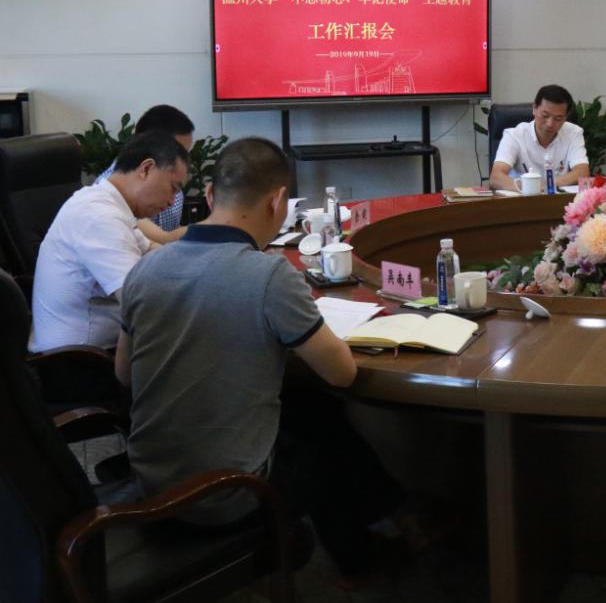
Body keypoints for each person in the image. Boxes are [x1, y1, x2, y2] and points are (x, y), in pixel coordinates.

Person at [115, 137, 406, 582]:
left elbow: (123, 374)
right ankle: (365, 555)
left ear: (209, 195)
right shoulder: (269, 275)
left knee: (311, 410)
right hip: (224, 497)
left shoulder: (144, 269)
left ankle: (380, 530)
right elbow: (342, 373)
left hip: (150, 481)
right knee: (328, 445)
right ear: (278, 201)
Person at [29, 131, 188, 351]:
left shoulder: (109, 204)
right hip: (79, 360)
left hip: (100, 349)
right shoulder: (98, 216)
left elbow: (153, 251)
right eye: (173, 189)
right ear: (146, 169)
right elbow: (139, 301)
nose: (172, 202)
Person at [96, 105, 196, 245]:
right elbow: (164, 239)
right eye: (179, 151)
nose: (184, 159)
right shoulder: (111, 195)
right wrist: (218, 222)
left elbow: (167, 238)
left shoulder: (168, 177)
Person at [490, 85, 590, 191]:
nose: (550, 123)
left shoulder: (574, 133)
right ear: (534, 108)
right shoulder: (514, 135)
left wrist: (546, 187)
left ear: (566, 117)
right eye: (545, 115)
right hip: (523, 198)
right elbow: (496, 178)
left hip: (558, 199)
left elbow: (582, 172)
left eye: (558, 118)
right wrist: (532, 188)